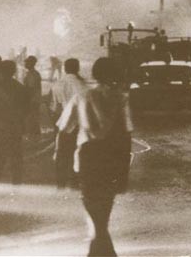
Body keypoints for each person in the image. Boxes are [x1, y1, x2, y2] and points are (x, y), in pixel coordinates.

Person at [57, 57, 132, 256]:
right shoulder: (121, 99)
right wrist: (124, 170)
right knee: (104, 211)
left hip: (88, 158)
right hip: (113, 158)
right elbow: (126, 137)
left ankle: (100, 251)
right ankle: (103, 252)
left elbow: (64, 131)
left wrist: (61, 163)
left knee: (93, 209)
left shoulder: (82, 96)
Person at [51, 58, 87, 188]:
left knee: (61, 154)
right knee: (77, 154)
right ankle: (74, 182)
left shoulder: (57, 84)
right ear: (77, 68)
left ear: (65, 69)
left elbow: (55, 108)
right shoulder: (82, 85)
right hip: (79, 124)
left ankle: (60, 184)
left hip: (63, 124)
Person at [0, 60, 28, 184]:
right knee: (16, 157)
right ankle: (16, 183)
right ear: (13, 71)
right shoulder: (20, 88)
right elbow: (26, 109)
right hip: (15, 126)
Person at [23, 55, 42, 137]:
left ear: (31, 63)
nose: (25, 63)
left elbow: (31, 89)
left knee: (32, 117)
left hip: (32, 99)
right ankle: (35, 134)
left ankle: (34, 135)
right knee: (33, 117)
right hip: (35, 98)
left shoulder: (32, 74)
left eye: (27, 62)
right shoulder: (33, 73)